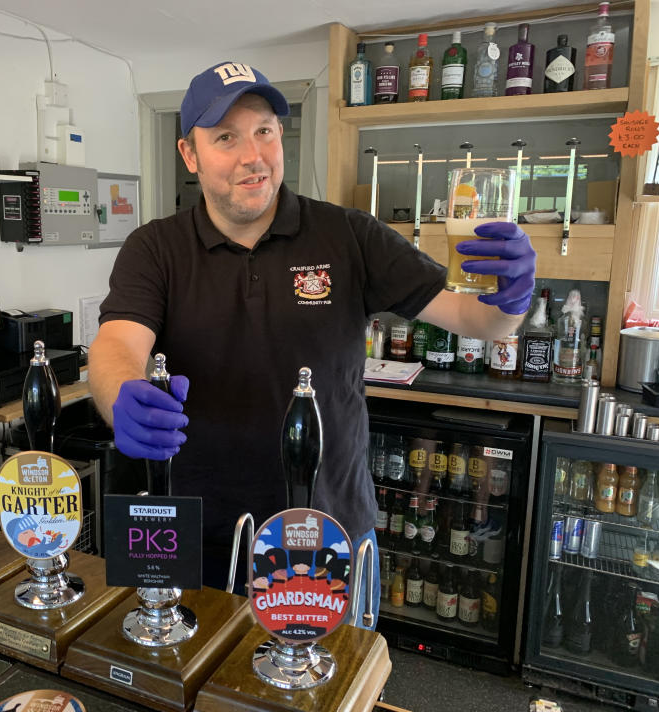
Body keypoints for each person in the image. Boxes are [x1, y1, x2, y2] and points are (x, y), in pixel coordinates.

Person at [89, 62, 536, 620]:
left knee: (323, 695)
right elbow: (116, 345)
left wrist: (511, 300)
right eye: (225, 137)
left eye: (265, 131)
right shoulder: (155, 248)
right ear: (189, 155)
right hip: (198, 530)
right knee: (195, 693)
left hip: (326, 530)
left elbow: (477, 321)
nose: (252, 155)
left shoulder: (349, 234)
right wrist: (121, 394)